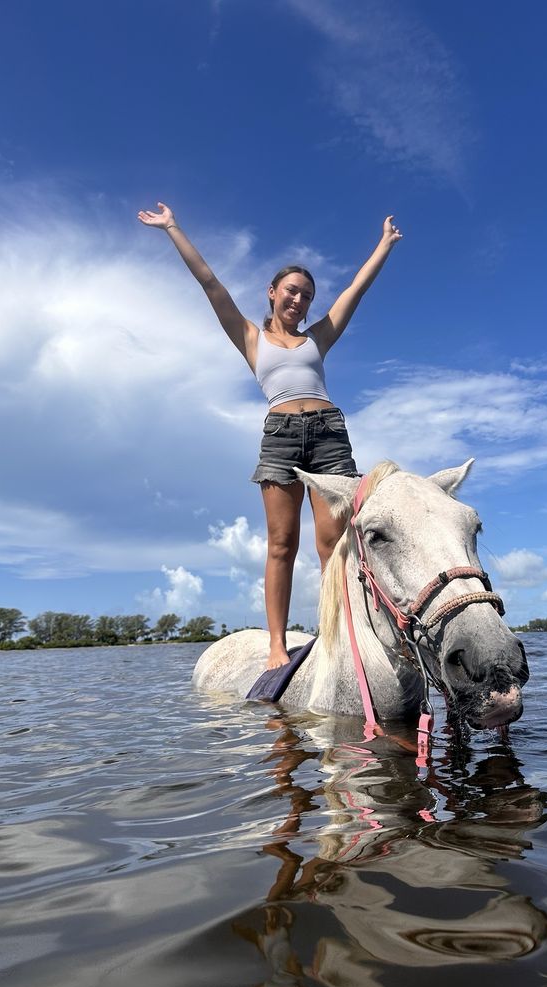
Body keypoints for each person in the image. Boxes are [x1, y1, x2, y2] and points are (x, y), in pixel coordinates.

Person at [138, 202, 402, 668]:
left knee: (333, 543)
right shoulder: (249, 337)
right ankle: (277, 645)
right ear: (272, 292)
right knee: (281, 544)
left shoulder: (318, 337)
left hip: (328, 435)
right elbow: (210, 283)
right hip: (280, 437)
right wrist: (173, 227)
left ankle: (341, 636)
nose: (299, 301)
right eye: (292, 291)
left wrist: (382, 245)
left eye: (306, 296)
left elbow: (356, 289)